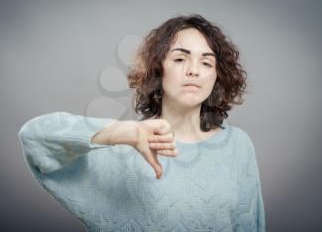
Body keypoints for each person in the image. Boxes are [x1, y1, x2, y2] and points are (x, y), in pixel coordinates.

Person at [18, 14, 266, 231]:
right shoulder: (120, 147)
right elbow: (33, 136)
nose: (194, 70)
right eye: (180, 59)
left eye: (206, 62)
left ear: (216, 77)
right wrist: (123, 132)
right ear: (159, 70)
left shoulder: (238, 145)